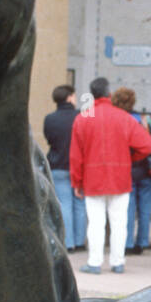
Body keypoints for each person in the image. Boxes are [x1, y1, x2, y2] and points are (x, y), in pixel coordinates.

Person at [70, 76, 151, 275]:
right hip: (120, 176)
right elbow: (146, 145)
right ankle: (118, 262)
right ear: (109, 94)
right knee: (119, 222)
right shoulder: (123, 117)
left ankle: (94, 262)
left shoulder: (83, 118)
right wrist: (130, 159)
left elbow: (76, 155)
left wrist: (77, 181)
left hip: (93, 178)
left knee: (96, 223)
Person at [111, 86, 151, 255]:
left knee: (128, 208)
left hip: (127, 168)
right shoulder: (145, 119)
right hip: (146, 169)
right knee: (145, 209)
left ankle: (127, 243)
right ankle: (142, 242)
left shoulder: (117, 119)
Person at [43, 84, 86, 252]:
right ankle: (80, 241)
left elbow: (49, 139)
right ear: (69, 97)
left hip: (57, 166)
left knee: (64, 205)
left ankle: (68, 243)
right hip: (78, 166)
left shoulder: (49, 119)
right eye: (74, 96)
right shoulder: (81, 116)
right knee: (79, 205)